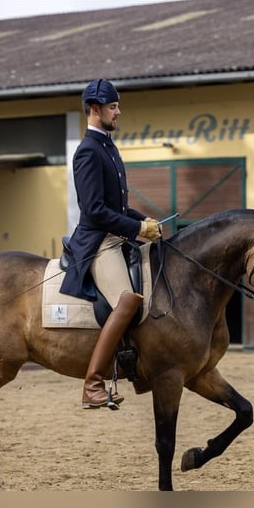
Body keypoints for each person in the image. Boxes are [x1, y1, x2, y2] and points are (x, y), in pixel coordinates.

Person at [60, 78, 162, 409]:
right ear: (95, 109)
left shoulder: (108, 147)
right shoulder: (88, 151)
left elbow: (117, 206)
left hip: (117, 233)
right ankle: (93, 384)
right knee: (128, 301)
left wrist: (145, 223)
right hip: (99, 242)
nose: (119, 111)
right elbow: (95, 211)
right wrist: (135, 227)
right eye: (113, 106)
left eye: (117, 106)